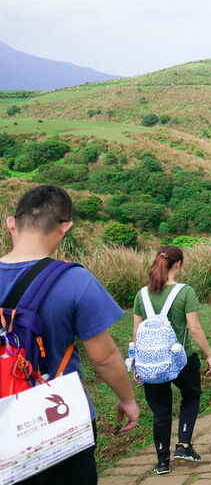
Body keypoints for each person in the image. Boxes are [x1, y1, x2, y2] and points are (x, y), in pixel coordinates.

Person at [0, 184, 140, 485]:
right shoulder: (74, 280)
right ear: (65, 228)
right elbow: (103, 358)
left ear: (11, 223)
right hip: (59, 423)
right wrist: (128, 399)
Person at [132, 246, 211, 474]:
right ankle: (184, 444)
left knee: (161, 412)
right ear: (178, 264)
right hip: (182, 360)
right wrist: (208, 354)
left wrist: (139, 363)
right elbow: (195, 329)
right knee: (191, 395)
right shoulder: (185, 291)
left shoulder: (142, 294)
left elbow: (136, 333)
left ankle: (162, 462)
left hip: (151, 362)